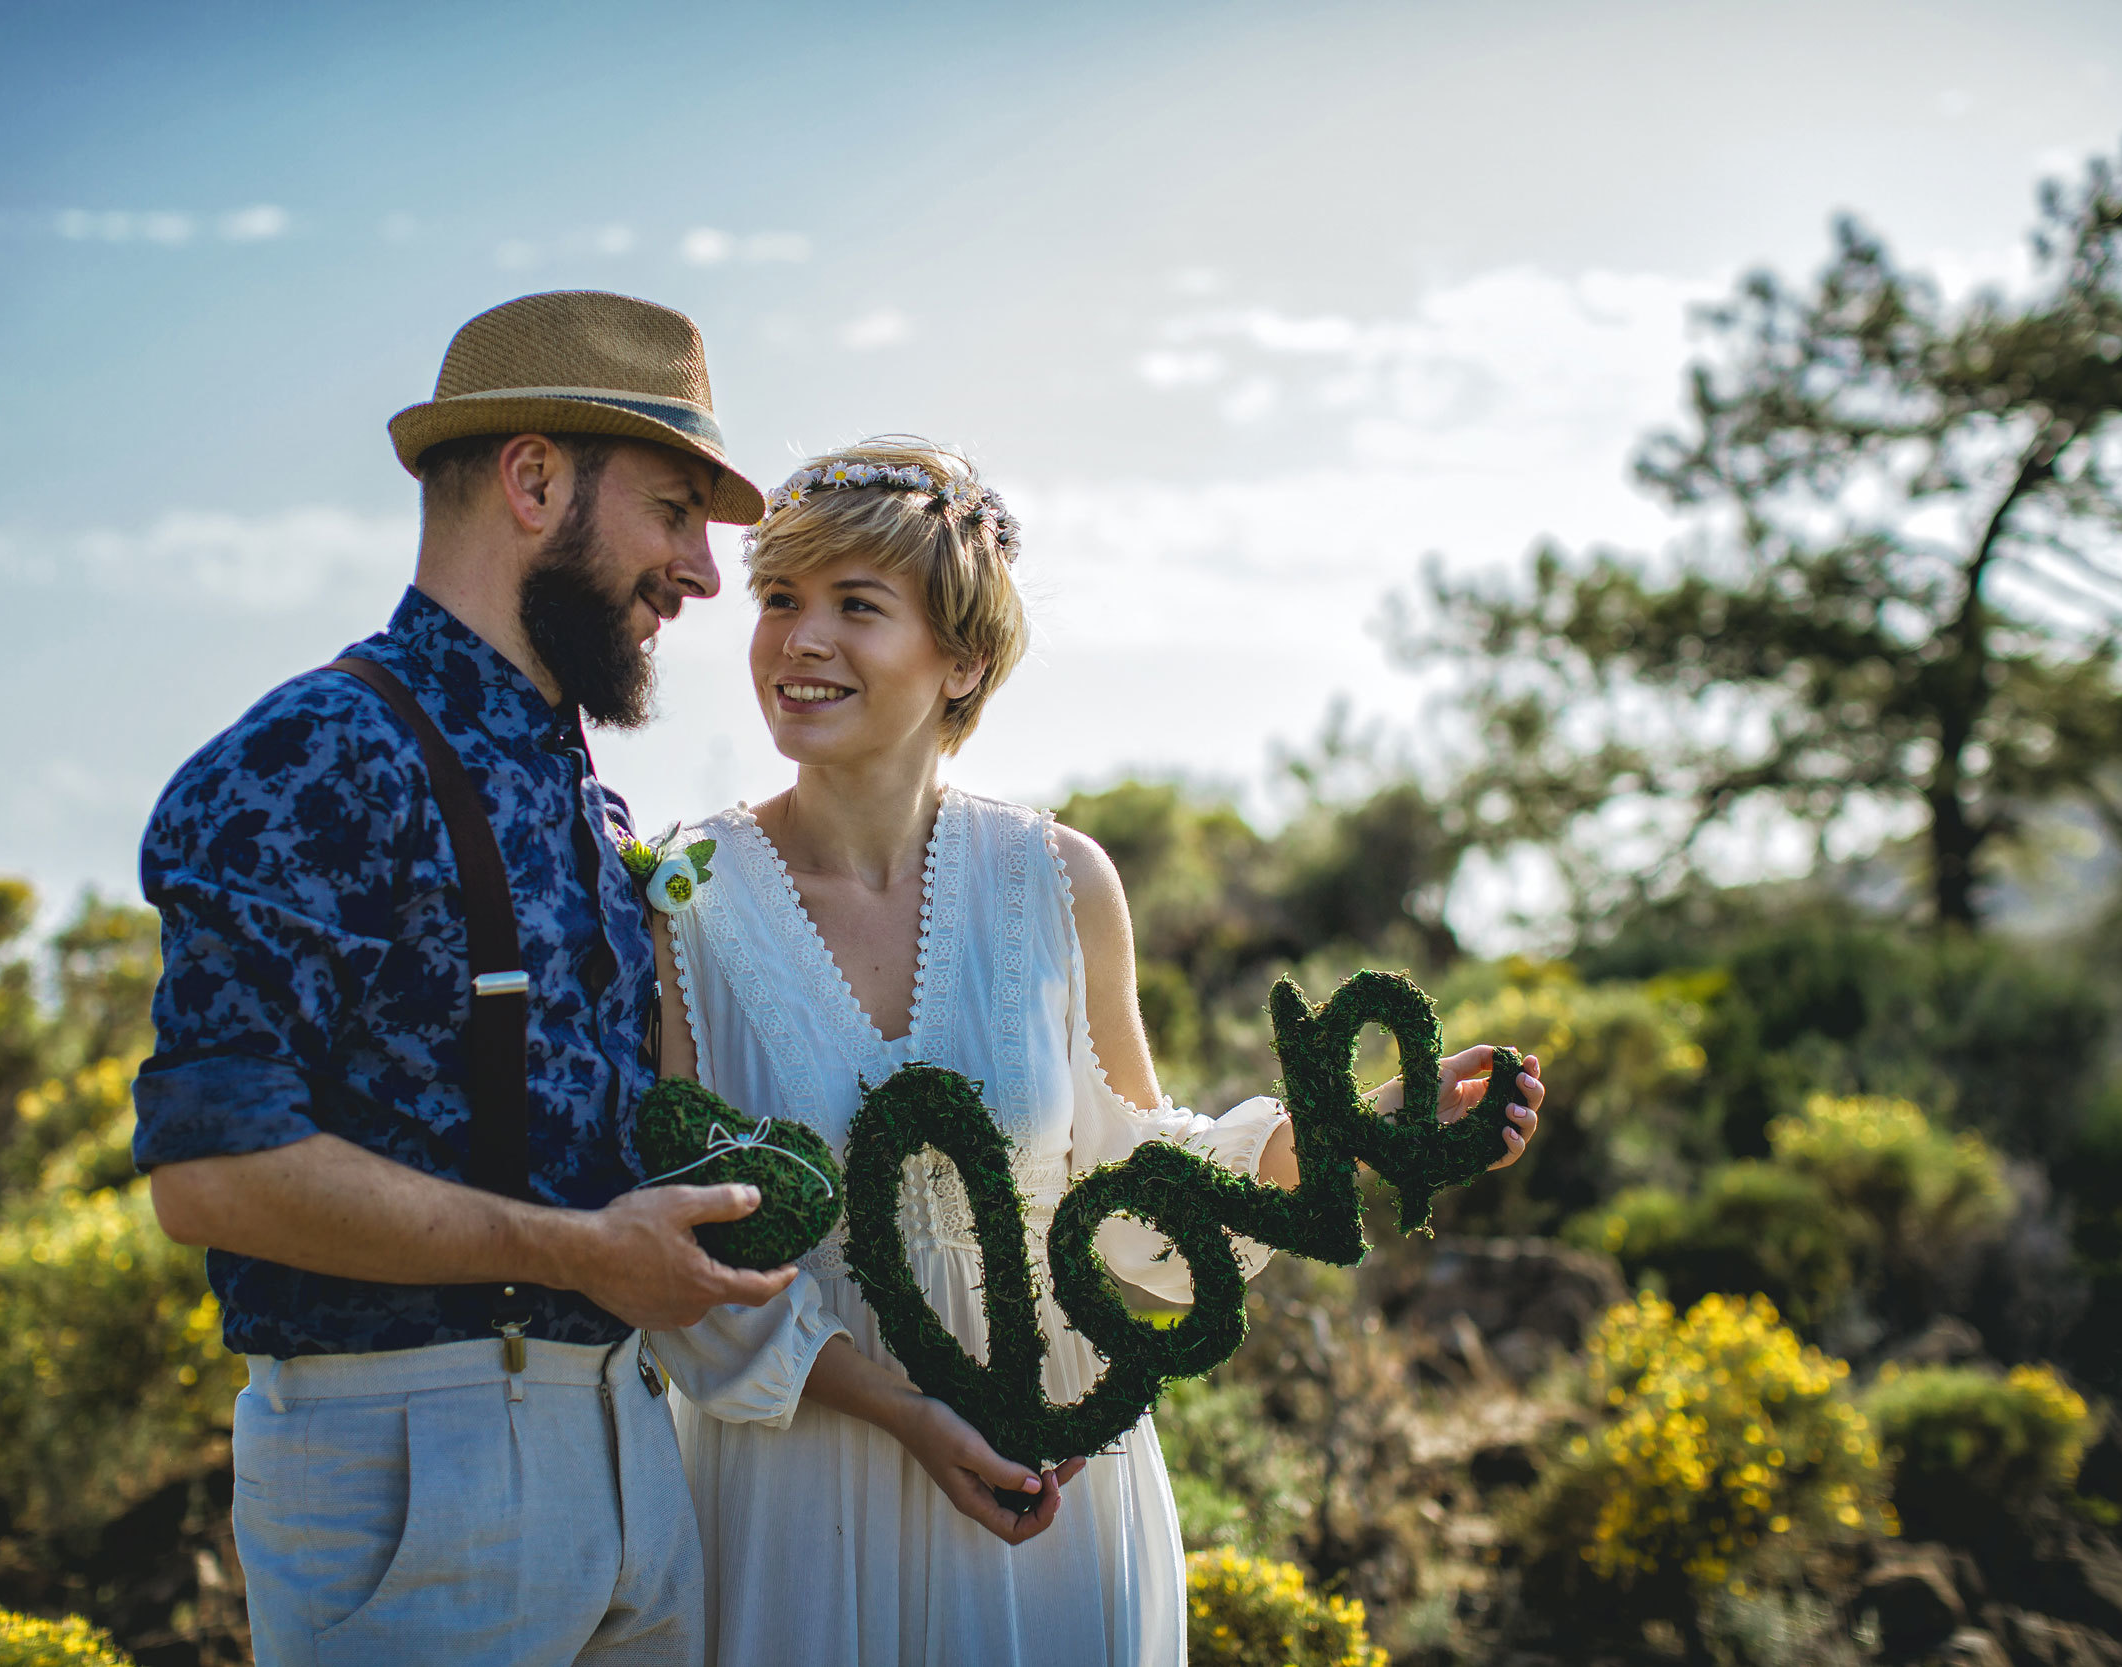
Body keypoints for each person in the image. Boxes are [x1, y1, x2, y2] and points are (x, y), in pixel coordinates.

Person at [645, 438, 1547, 1666]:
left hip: (1052, 1470)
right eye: (779, 600)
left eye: (856, 605)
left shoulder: (1056, 881)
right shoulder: (683, 895)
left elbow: (1136, 1180)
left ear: (962, 657)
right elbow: (679, 1242)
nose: (798, 640)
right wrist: (908, 1413)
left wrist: (1346, 1123)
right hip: (801, 1488)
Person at [134, 291, 791, 1667]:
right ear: (536, 477)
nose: (703, 573)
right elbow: (215, 1172)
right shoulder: (317, 752)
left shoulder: (582, 793)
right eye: (675, 510)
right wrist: (578, 1253)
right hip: (412, 1453)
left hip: (625, 1443)